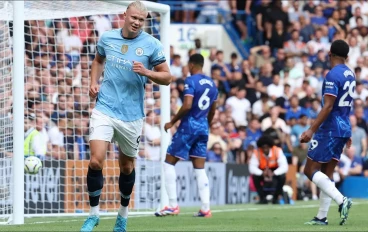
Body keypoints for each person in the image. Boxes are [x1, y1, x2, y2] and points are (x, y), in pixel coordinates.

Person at [80, 1, 172, 232]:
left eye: (141, 20)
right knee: (95, 160)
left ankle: (122, 215)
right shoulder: (108, 38)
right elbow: (98, 61)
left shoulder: (152, 45)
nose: (137, 23)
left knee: (127, 167)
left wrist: (147, 72)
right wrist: (93, 83)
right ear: (125, 15)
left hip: (132, 116)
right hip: (105, 108)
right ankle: (93, 214)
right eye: (134, 18)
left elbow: (167, 77)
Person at [155, 53, 218, 218]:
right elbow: (213, 110)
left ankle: (173, 205)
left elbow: (188, 104)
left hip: (189, 126)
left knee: (169, 163)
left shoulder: (190, 81)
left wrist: (172, 121)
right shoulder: (212, 84)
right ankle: (205, 208)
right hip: (203, 126)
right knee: (199, 168)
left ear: (191, 65)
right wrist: (206, 125)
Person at [300, 39, 354, 226]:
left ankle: (342, 200)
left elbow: (329, 106)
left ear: (330, 54)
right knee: (327, 173)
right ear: (346, 57)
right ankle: (322, 217)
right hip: (343, 126)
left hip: (330, 128)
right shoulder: (350, 73)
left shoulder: (333, 74)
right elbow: (345, 105)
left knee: (310, 170)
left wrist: (311, 130)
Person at [249, 135, 288, 204]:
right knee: (254, 177)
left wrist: (274, 173)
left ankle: (276, 198)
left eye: (267, 147)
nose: (265, 149)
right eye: (263, 147)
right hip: (262, 171)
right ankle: (262, 198)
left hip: (275, 171)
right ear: (261, 147)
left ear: (270, 146)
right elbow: (252, 167)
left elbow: (284, 166)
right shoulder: (257, 152)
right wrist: (262, 173)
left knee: (282, 177)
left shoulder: (277, 151)